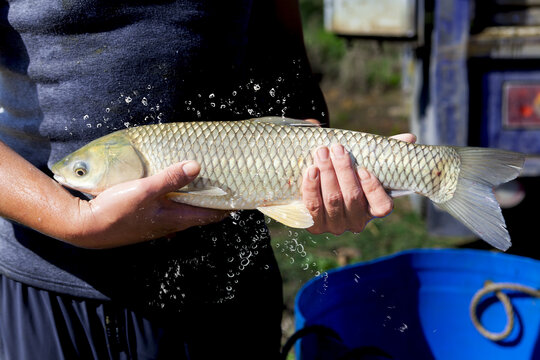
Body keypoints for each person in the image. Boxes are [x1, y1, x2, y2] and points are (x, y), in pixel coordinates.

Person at [0, 0, 415, 358]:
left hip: (228, 284)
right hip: (47, 281)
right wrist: (71, 217)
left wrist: (315, 166)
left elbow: (281, 40)